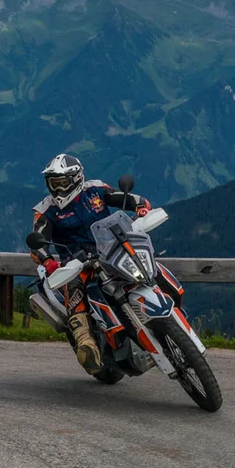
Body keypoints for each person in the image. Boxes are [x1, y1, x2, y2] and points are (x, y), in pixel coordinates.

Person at [30, 153, 150, 372]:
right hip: (76, 262)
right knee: (73, 287)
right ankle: (85, 341)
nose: (58, 189)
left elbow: (124, 198)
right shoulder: (45, 210)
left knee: (143, 259)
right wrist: (47, 260)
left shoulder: (95, 190)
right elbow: (37, 242)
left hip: (112, 249)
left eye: (63, 183)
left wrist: (140, 206)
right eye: (53, 183)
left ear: (77, 178)